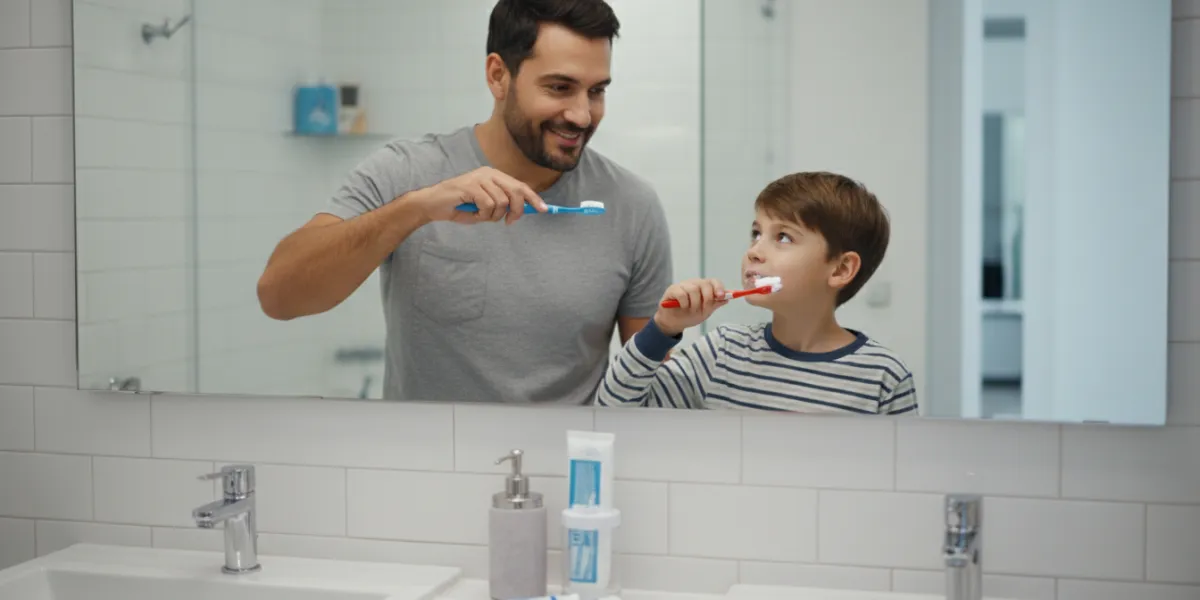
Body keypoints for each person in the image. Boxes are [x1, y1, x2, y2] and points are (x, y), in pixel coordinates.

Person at [256, 0, 672, 404]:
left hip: (566, 468)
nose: (582, 115)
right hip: (427, 468)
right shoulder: (405, 173)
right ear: (497, 75)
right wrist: (415, 209)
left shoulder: (632, 207)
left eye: (596, 91)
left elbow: (650, 388)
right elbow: (279, 296)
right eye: (559, 88)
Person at [596, 171, 917, 414]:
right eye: (756, 233)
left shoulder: (882, 377)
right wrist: (662, 329)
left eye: (784, 237)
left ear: (840, 269)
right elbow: (614, 413)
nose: (754, 251)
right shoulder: (720, 354)